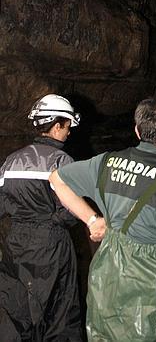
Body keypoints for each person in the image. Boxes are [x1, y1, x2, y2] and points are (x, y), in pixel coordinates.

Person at [49, 96, 156, 342]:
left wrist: (93, 219)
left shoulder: (107, 162)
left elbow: (56, 179)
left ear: (137, 130)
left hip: (105, 285)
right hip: (149, 301)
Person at [0, 93, 100, 342]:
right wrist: (55, 221)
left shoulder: (11, 162)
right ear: (57, 126)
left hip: (15, 243)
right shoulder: (61, 161)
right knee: (59, 314)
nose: (68, 133)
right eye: (66, 127)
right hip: (51, 244)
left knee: (16, 311)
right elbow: (70, 209)